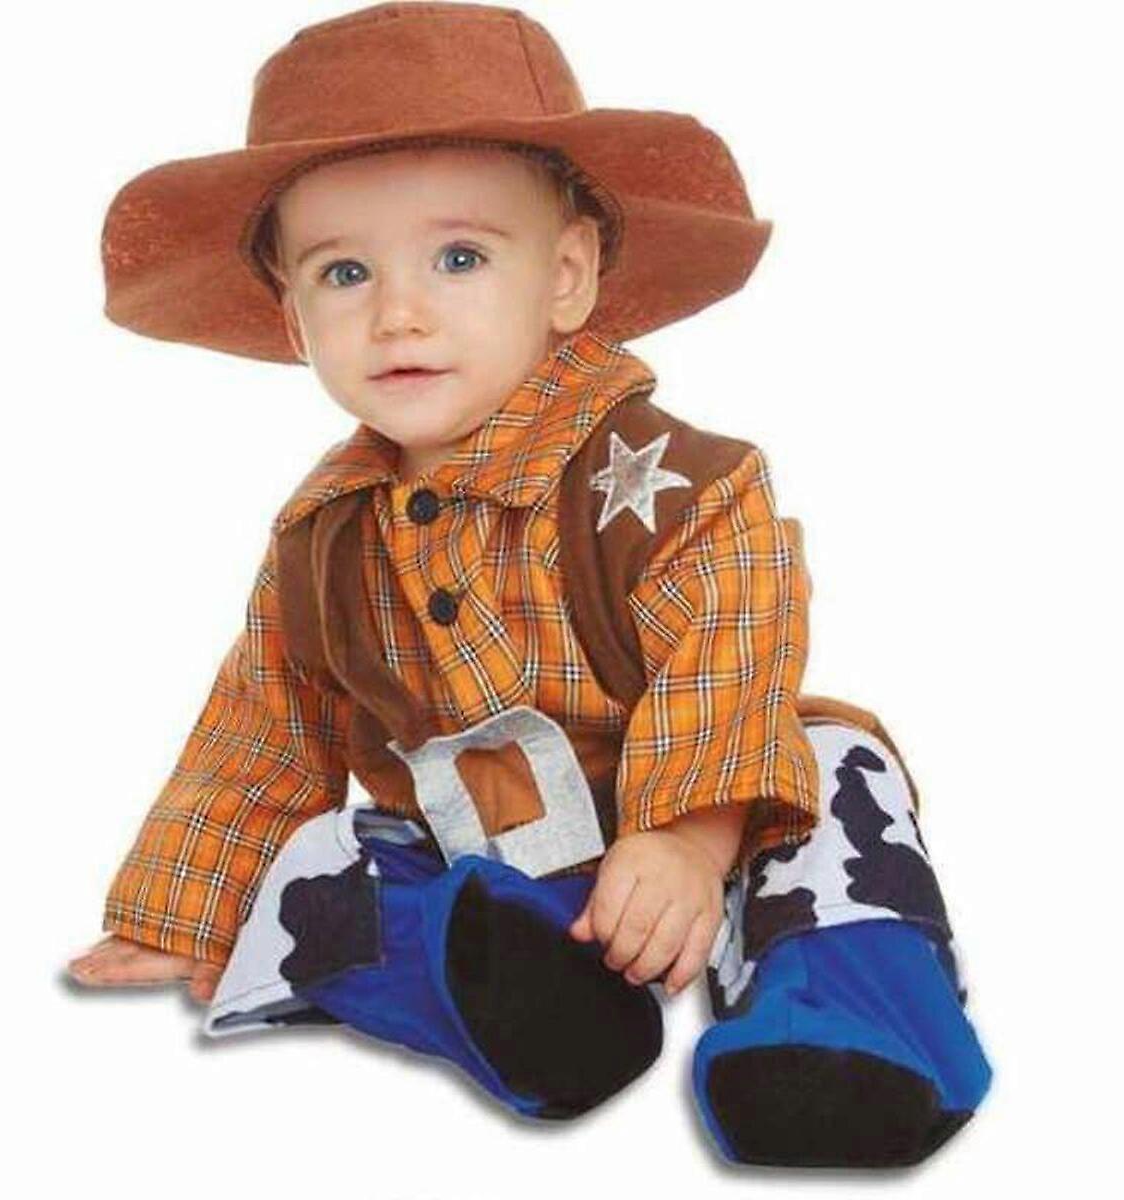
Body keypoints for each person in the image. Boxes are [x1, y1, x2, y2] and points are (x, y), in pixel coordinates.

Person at [66, 2, 991, 1167]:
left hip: (702, 811)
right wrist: (185, 913)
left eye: (459, 258)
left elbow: (731, 648)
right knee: (329, 862)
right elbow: (262, 730)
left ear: (565, 275)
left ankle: (847, 1031)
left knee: (838, 773)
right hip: (486, 857)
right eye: (344, 272)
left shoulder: (675, 484)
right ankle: (525, 995)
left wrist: (689, 837)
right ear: (294, 320)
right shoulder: (321, 540)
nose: (397, 313)